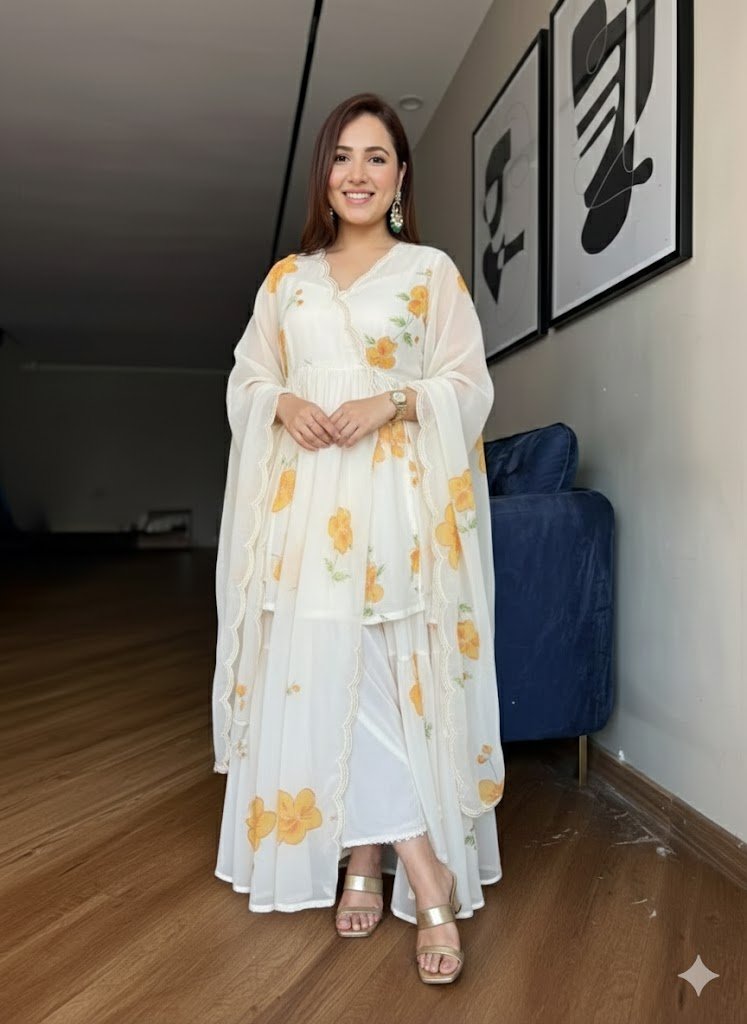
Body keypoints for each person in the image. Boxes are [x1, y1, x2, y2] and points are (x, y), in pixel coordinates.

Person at [211, 92, 505, 985]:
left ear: (400, 177)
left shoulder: (429, 273)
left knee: (382, 672)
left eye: (376, 157)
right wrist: (281, 403)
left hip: (395, 504)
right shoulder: (286, 281)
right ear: (323, 175)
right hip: (304, 507)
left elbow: (469, 385)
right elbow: (246, 379)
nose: (358, 174)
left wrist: (396, 399)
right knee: (326, 669)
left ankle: (378, 860)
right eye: (342, 156)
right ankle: (418, 867)